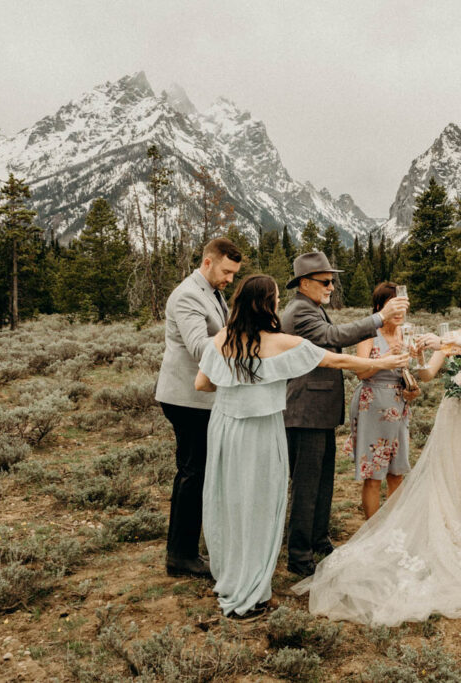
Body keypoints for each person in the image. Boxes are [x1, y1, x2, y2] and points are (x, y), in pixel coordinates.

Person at [293, 285, 461, 626]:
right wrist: (418, 366)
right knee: (446, 476)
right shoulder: (450, 336)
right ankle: (389, 533)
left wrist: (411, 382)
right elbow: (427, 373)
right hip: (445, 415)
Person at [194, 274, 408, 620]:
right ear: (267, 304)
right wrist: (383, 364)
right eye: (276, 297)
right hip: (260, 430)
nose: (279, 302)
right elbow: (337, 361)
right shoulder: (280, 343)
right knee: (261, 506)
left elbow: (202, 383)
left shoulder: (220, 338)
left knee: (228, 502)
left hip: (224, 430)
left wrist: (236, 386)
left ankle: (231, 576)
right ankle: (251, 594)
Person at [281, 252, 409, 577]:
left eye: (332, 280)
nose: (331, 286)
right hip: (305, 411)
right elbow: (335, 338)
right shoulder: (299, 312)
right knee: (307, 485)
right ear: (304, 283)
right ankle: (299, 556)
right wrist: (380, 318)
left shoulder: (313, 308)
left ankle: (318, 541)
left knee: (322, 481)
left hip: (318, 411)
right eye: (325, 281)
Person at [155, 237, 242, 578]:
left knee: (196, 472)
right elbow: (199, 348)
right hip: (187, 399)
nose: (230, 280)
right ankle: (181, 555)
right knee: (194, 472)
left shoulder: (213, 292)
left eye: (234, 274)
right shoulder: (189, 295)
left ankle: (186, 548)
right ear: (208, 262)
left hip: (201, 398)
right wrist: (239, 330)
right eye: (226, 271)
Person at [345, 282, 420, 519]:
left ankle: (393, 529)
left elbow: (413, 372)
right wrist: (388, 357)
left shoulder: (406, 333)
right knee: (373, 474)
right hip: (372, 405)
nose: (399, 313)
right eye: (393, 307)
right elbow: (361, 372)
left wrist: (412, 389)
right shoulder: (369, 333)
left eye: (402, 308)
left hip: (399, 406)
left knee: (397, 472)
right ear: (379, 307)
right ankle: (372, 531)